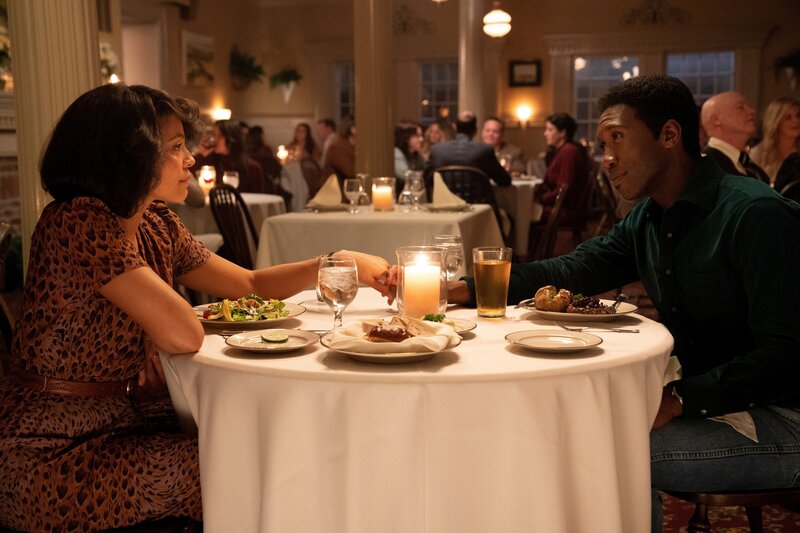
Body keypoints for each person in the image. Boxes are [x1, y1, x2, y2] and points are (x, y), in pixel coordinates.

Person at [0, 83, 392, 532]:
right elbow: (183, 333)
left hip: (127, 420)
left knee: (269, 438)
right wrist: (156, 335)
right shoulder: (78, 220)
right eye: (175, 147)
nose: (190, 159)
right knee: (244, 464)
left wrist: (335, 262)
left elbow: (249, 284)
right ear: (128, 156)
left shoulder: (156, 223)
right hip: (54, 452)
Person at [444, 75, 800, 533]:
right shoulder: (649, 217)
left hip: (782, 414)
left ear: (668, 135)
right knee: (565, 432)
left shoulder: (754, 214)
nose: (606, 158)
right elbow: (574, 269)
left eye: (617, 138)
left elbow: (789, 355)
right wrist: (465, 288)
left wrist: (679, 398)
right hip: (713, 401)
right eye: (602, 144)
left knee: (600, 455)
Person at [426, 110, 511, 187]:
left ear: (454, 127)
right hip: (477, 199)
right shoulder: (485, 151)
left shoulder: (436, 150)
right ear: (475, 130)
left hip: (444, 199)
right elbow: (505, 181)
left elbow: (426, 179)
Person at [701, 91, 770, 184]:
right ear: (715, 120)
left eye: (749, 106)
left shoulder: (746, 163)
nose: (752, 111)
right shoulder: (706, 167)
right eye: (740, 107)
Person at [192, 119, 268, 193]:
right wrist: (201, 155)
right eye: (213, 135)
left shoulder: (252, 168)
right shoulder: (210, 162)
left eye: (217, 136)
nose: (213, 140)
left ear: (230, 138)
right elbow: (189, 175)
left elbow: (258, 198)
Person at [539, 112, 590, 217]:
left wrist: (540, 198)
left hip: (564, 211)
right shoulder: (562, 151)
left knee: (521, 212)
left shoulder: (569, 151)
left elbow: (564, 189)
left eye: (550, 130)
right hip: (559, 207)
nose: (545, 133)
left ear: (562, 132)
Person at [749, 96, 800, 188]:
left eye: (798, 116)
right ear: (776, 121)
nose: (796, 121)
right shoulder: (757, 154)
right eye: (788, 118)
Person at [322, 116, 356, 188]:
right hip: (335, 191)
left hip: (345, 189)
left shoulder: (349, 146)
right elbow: (352, 172)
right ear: (353, 129)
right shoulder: (338, 148)